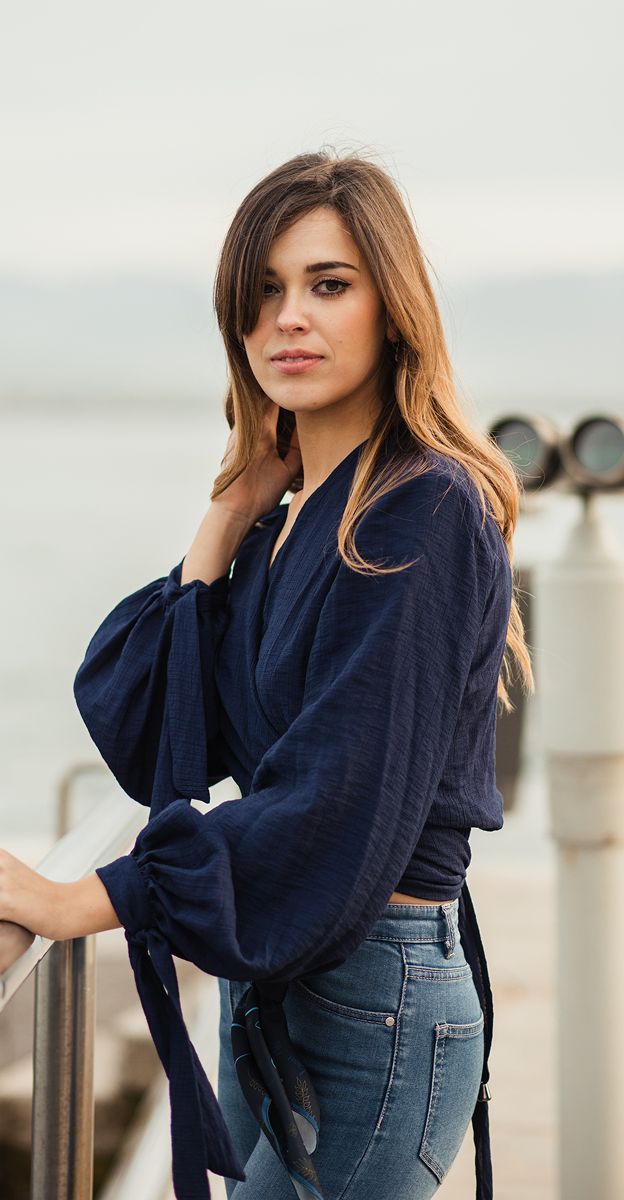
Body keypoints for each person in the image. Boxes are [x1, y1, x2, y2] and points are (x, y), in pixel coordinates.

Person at [0, 149, 534, 1200]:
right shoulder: (290, 524)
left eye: (328, 285)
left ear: (393, 308)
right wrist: (229, 516)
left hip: (373, 995)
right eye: (263, 294)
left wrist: (84, 900)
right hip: (275, 982)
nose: (289, 318)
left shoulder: (425, 511)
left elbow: (335, 801)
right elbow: (151, 724)